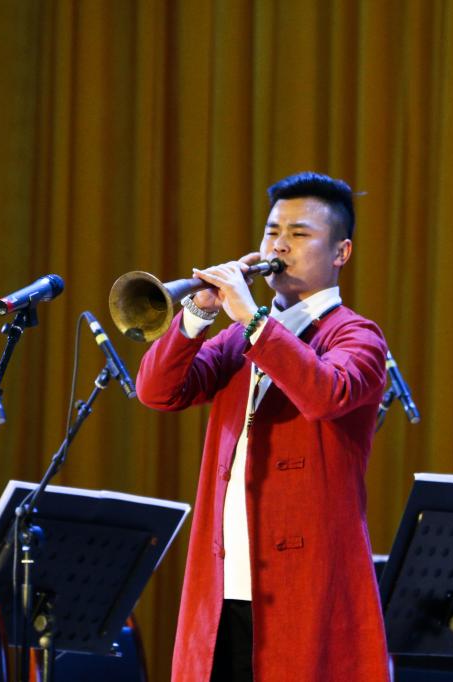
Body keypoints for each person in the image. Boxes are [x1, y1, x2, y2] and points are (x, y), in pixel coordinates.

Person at [136, 171, 391, 681]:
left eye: (299, 234)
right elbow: (158, 392)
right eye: (272, 231)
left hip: (306, 594)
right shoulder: (237, 339)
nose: (279, 245)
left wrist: (253, 319)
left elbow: (325, 393)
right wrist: (196, 315)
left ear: (341, 253)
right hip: (224, 590)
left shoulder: (358, 336)